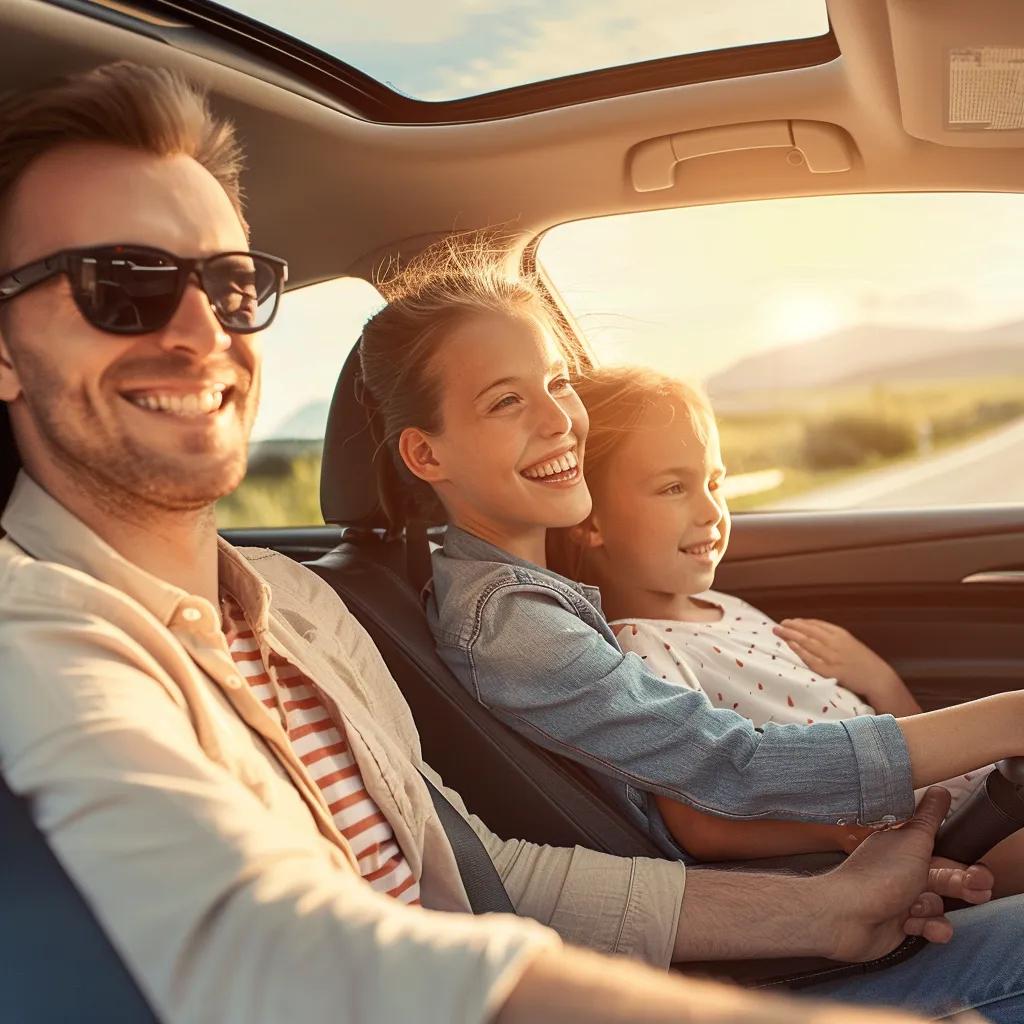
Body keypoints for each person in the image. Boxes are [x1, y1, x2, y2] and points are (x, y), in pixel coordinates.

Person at [0, 62, 1015, 1024]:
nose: (199, 328)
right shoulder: (34, 631)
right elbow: (277, 947)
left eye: (229, 284)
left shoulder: (296, 603)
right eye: (120, 283)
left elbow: (481, 873)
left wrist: (817, 913)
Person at [544, 364, 1024, 891]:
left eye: (713, 481)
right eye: (673, 488)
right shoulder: (643, 648)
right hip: (927, 836)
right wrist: (839, 835)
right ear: (591, 521)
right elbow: (701, 826)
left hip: (964, 791)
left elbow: (886, 734)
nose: (710, 510)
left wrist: (879, 679)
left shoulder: (724, 606)